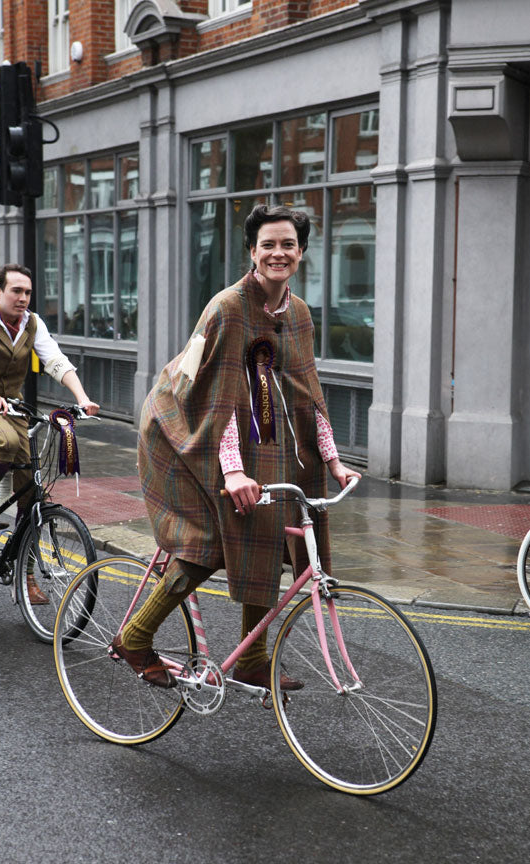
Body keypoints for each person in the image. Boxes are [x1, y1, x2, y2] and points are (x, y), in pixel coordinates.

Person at [112, 205, 361, 689]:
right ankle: (136, 637)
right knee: (205, 543)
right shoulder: (227, 307)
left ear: (301, 252)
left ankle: (251, 660)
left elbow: (308, 394)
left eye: (288, 244)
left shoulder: (301, 314)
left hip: (253, 433)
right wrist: (231, 472)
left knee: (268, 528)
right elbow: (214, 396)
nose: (278, 253)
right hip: (181, 427)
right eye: (267, 244)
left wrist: (332, 460)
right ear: (252, 251)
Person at [0, 263, 99, 602]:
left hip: (14, 410)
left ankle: (25, 577)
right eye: (16, 291)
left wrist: (82, 399)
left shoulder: (32, 323)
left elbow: (55, 360)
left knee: (31, 485)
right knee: (5, 442)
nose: (24, 298)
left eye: (28, 293)